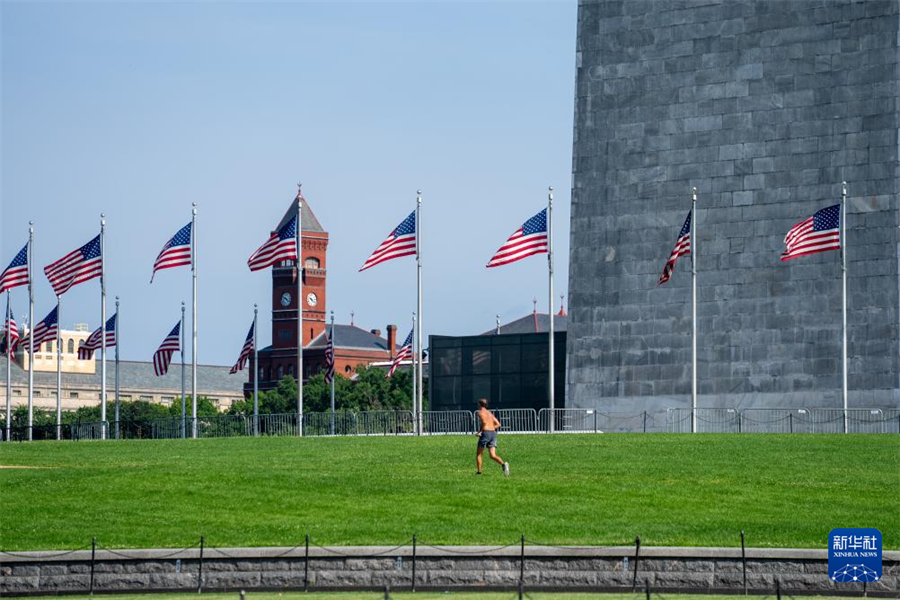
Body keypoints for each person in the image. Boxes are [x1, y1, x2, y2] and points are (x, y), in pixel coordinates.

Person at [475, 398, 509, 476]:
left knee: (479, 454)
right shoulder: (490, 413)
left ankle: (479, 472)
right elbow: (498, 424)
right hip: (493, 433)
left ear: (479, 404)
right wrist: (491, 428)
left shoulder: (480, 413)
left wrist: (480, 432)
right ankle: (503, 464)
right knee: (492, 455)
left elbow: (483, 422)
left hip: (485, 433)